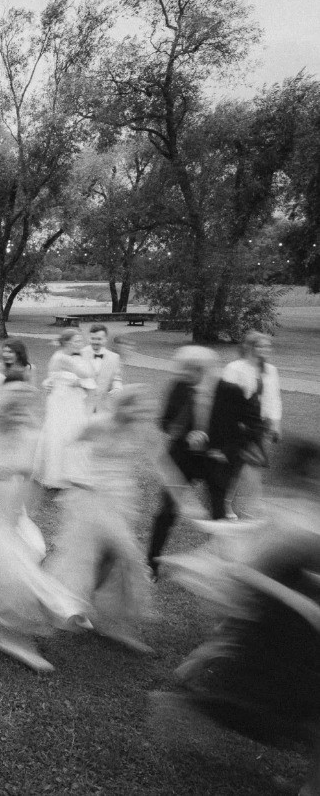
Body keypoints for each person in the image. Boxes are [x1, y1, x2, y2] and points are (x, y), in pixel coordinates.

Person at [155, 438, 320, 796]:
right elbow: (249, 572)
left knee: (289, 710)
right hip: (282, 627)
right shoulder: (294, 517)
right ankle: (183, 704)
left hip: (293, 631)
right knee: (270, 706)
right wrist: (301, 603)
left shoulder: (304, 513)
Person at [47, 387, 203, 654]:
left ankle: (108, 620)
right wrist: (78, 477)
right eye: (135, 406)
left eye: (144, 409)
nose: (141, 413)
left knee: (111, 559)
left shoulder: (142, 431)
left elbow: (165, 468)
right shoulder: (98, 424)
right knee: (104, 556)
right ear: (122, 405)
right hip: (91, 498)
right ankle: (67, 603)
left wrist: (187, 502)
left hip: (121, 500)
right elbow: (69, 447)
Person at [0, 385, 90, 673]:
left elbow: (30, 480)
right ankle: (47, 614)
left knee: (20, 561)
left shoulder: (32, 437)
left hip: (11, 512)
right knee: (12, 567)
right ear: (2, 408)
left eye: (24, 410)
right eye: (13, 409)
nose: (19, 416)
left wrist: (19, 515)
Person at [147, 346, 254, 575]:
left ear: (202, 369)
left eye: (188, 370)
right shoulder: (180, 386)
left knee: (218, 516)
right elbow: (165, 421)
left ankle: (223, 568)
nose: (183, 375)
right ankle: (151, 564)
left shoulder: (230, 391)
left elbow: (251, 426)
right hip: (182, 459)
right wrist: (186, 434)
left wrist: (226, 451)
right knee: (166, 512)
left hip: (216, 461)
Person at [223, 331, 282, 520]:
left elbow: (274, 399)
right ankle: (226, 505)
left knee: (253, 467)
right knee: (234, 468)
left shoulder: (271, 370)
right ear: (250, 347)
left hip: (259, 426)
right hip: (238, 426)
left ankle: (251, 508)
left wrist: (275, 424)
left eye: (267, 346)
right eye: (261, 346)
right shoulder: (234, 368)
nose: (265, 349)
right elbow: (226, 400)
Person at [33, 329, 96, 490]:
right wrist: (85, 357)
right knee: (61, 434)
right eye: (77, 341)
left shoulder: (64, 357)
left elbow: (52, 379)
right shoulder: (62, 358)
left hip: (69, 399)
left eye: (81, 341)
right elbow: (87, 373)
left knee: (69, 433)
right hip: (63, 401)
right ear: (67, 343)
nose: (80, 344)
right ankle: (57, 475)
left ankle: (69, 472)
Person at [84, 324, 124, 413]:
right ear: (89, 338)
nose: (95, 342)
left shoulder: (114, 357)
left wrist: (117, 388)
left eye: (99, 339)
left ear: (105, 339)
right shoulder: (80, 354)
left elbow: (116, 378)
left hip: (103, 406)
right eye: (93, 338)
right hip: (83, 406)